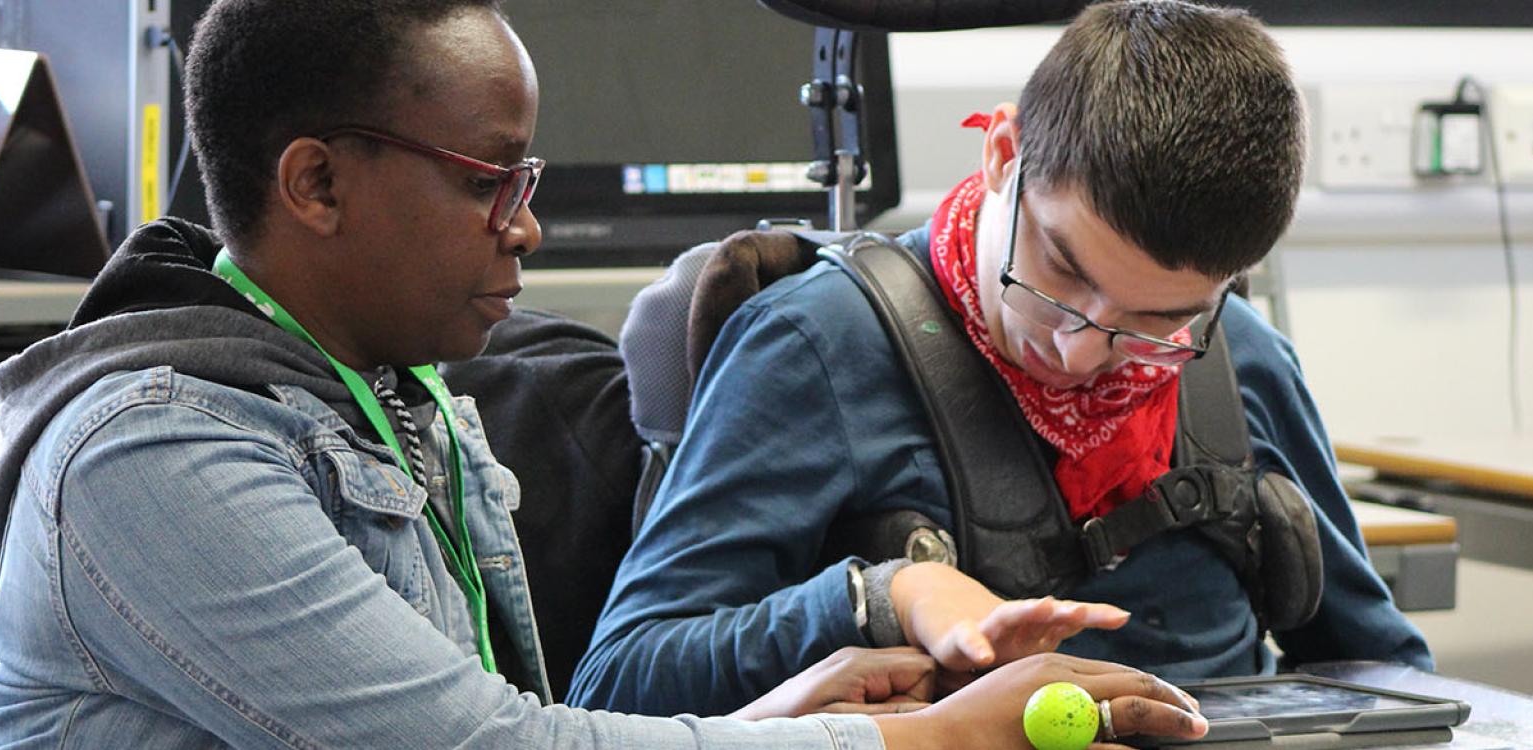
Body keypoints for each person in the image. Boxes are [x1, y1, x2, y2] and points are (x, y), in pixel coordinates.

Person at [0, 0, 1210, 746]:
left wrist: (752, 727)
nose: (526, 226)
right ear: (317, 183)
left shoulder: (402, 397)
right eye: (489, 180)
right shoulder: (152, 454)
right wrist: (912, 738)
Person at [572, 0, 1434, 718]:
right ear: (1002, 155)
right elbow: (616, 682)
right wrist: (874, 600)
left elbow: (1384, 670)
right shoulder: (815, 345)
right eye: (1061, 271)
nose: (1082, 345)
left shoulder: (1239, 361)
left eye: (1153, 320)